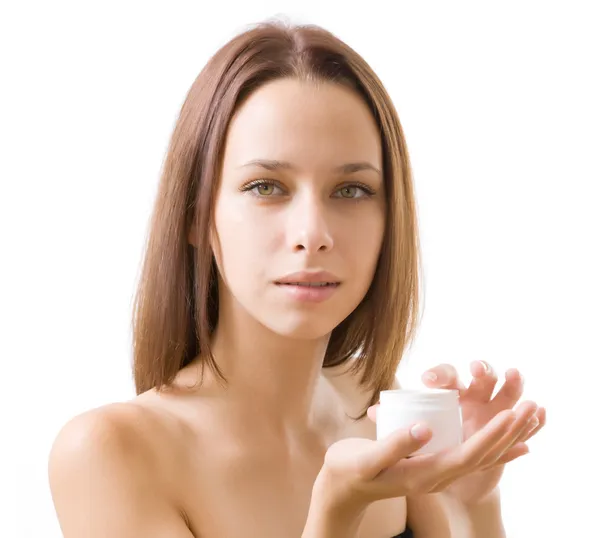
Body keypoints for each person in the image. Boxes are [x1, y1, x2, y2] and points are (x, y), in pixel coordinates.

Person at [48, 20, 546, 538]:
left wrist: (473, 502)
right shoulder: (108, 453)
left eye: (351, 190)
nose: (314, 233)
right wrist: (335, 511)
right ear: (198, 216)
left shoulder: (373, 404)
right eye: (267, 186)